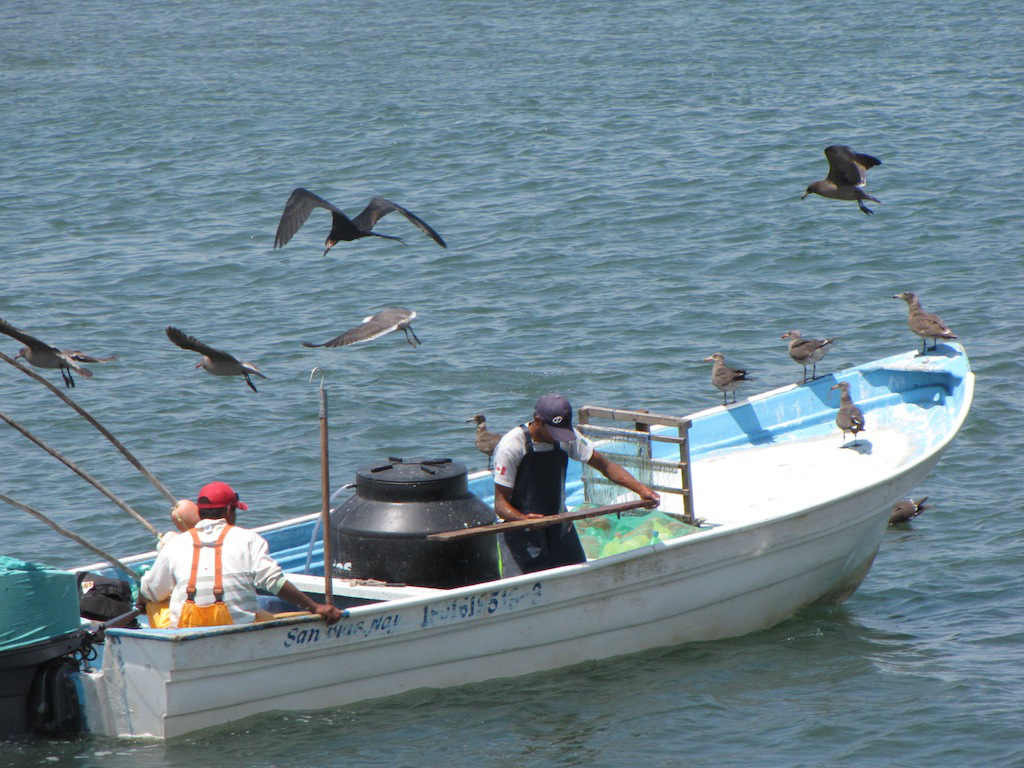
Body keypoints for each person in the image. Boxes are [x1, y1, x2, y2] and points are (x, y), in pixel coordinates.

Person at [492, 394, 660, 574]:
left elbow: (606, 466)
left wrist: (642, 490)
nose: (558, 438)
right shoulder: (511, 446)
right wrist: (524, 520)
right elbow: (500, 505)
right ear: (537, 421)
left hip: (559, 522)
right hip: (520, 531)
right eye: (553, 432)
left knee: (579, 575)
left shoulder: (566, 437)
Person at [139, 481, 341, 628]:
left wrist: (142, 601)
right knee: (264, 611)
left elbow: (150, 592)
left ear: (200, 513)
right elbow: (274, 583)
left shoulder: (175, 545)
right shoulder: (249, 539)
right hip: (238, 625)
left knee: (155, 602)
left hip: (189, 629)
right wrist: (315, 607)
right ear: (228, 511)